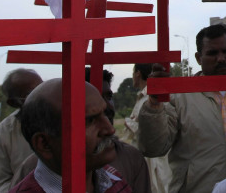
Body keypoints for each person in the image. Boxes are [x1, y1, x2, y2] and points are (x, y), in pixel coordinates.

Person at [138, 24, 226, 192]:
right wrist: (154, 104)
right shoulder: (180, 96)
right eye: (212, 53)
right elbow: (154, 147)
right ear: (198, 58)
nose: (221, 58)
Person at [12, 69, 150, 192]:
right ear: (44, 144)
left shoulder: (113, 181)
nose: (110, 130)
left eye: (104, 114)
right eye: (89, 120)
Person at [0, 69, 42, 193]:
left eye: (43, 87)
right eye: (31, 93)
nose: (43, 95)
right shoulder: (4, 133)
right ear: (13, 103)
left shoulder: (69, 120)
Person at [123, 63, 172, 193]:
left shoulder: (150, 97)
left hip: (154, 160)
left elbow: (149, 128)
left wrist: (129, 123)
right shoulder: (142, 98)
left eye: (133, 73)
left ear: (137, 73)